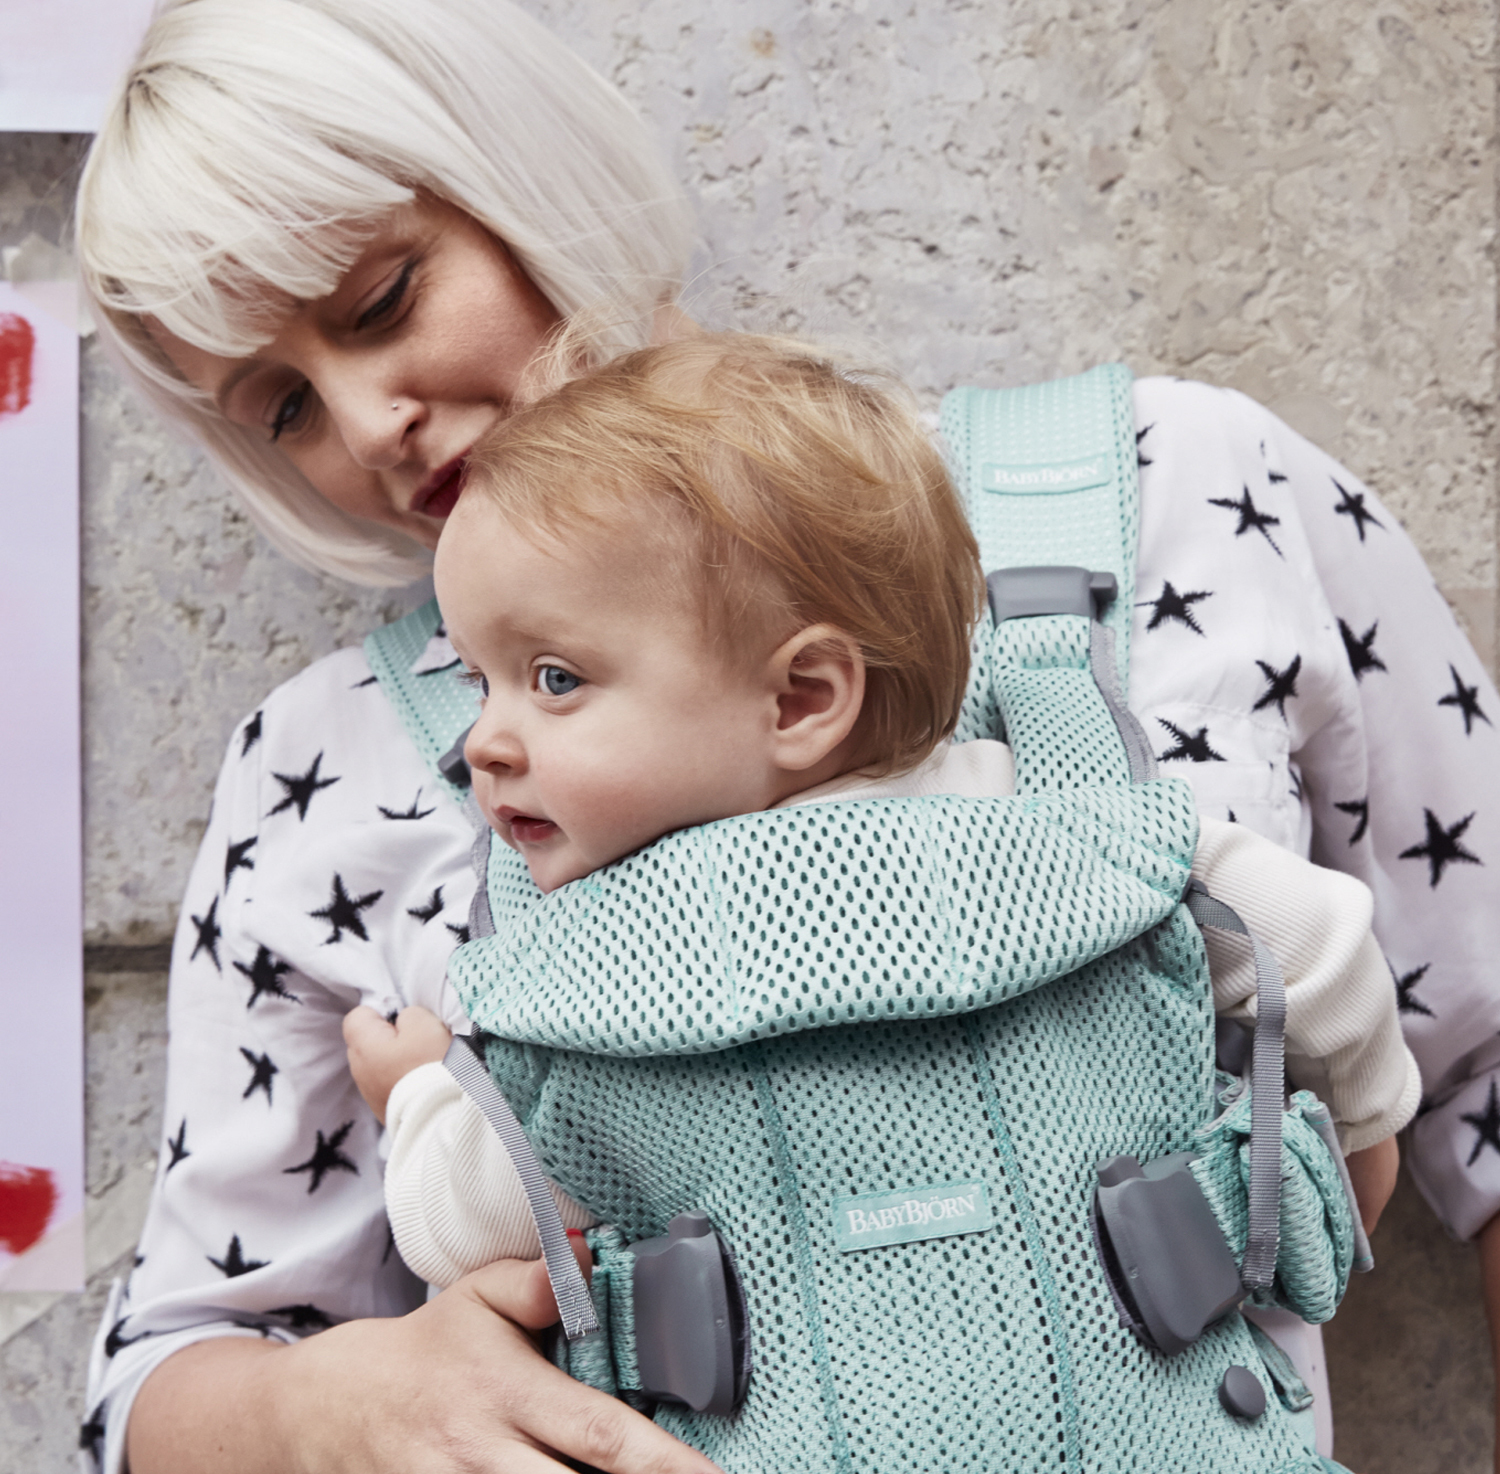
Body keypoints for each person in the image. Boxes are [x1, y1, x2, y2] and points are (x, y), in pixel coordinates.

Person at [71, 0, 1500, 1474]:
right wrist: (326, 1418)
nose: (368, 424)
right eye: (283, 404)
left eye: (380, 301)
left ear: (519, 170)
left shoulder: (1175, 495)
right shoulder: (324, 777)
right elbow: (150, 1393)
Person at [343, 332, 1416, 1312]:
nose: (484, 740)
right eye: (481, 683)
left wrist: (423, 1095)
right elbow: (1319, 945)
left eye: (554, 678)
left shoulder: (587, 976)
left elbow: (451, 1224)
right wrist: (1362, 1128)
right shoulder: (1078, 828)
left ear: (803, 699)